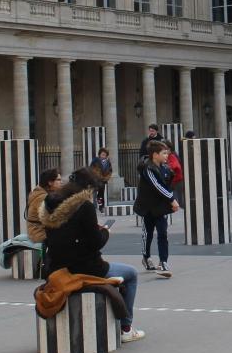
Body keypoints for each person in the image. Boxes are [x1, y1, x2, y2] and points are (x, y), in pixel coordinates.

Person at [41, 167, 144, 342]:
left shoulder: (50, 204)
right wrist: (105, 232)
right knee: (131, 274)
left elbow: (66, 234)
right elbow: (95, 243)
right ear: (88, 188)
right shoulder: (84, 206)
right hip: (85, 268)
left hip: (57, 267)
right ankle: (126, 328)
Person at [134, 141, 177, 278]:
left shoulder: (166, 169)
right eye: (164, 153)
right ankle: (146, 257)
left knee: (163, 233)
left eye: (167, 153)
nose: (167, 155)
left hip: (160, 207)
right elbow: (157, 186)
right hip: (148, 206)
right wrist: (172, 199)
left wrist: (170, 199)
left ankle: (163, 262)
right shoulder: (148, 169)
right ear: (155, 155)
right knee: (148, 233)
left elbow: (167, 186)